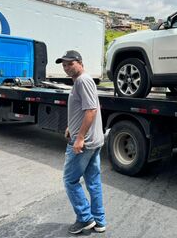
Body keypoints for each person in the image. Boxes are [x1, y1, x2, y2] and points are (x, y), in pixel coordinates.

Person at [56, 50, 106, 234]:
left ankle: (85, 218)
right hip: (94, 141)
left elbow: (91, 110)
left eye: (70, 63)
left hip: (84, 144)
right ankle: (99, 221)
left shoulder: (82, 81)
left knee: (70, 180)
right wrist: (71, 126)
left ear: (80, 62)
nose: (66, 67)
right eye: (64, 65)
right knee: (93, 182)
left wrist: (80, 137)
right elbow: (91, 107)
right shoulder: (83, 80)